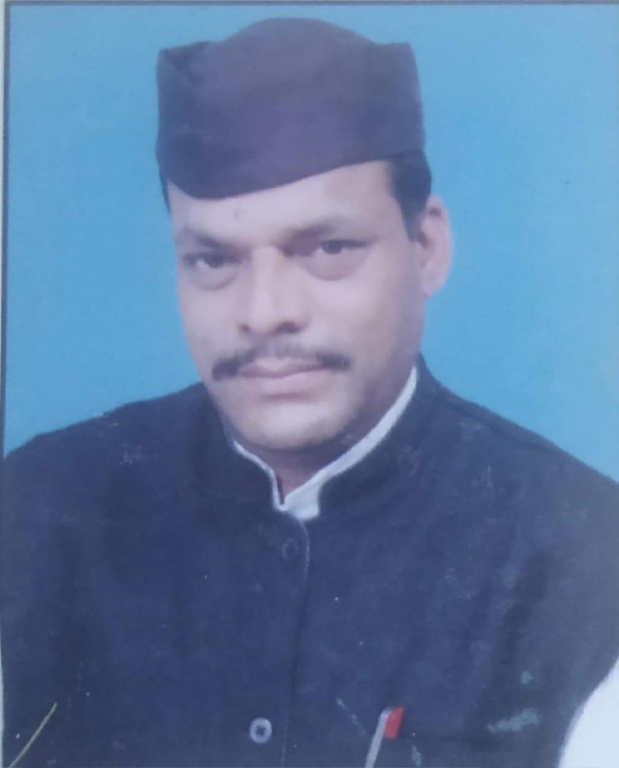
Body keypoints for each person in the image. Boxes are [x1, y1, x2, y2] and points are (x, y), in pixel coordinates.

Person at [1, 17, 618, 768]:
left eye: (328, 248)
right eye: (213, 260)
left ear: (426, 247)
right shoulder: (34, 511)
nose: (264, 313)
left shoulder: (585, 560)